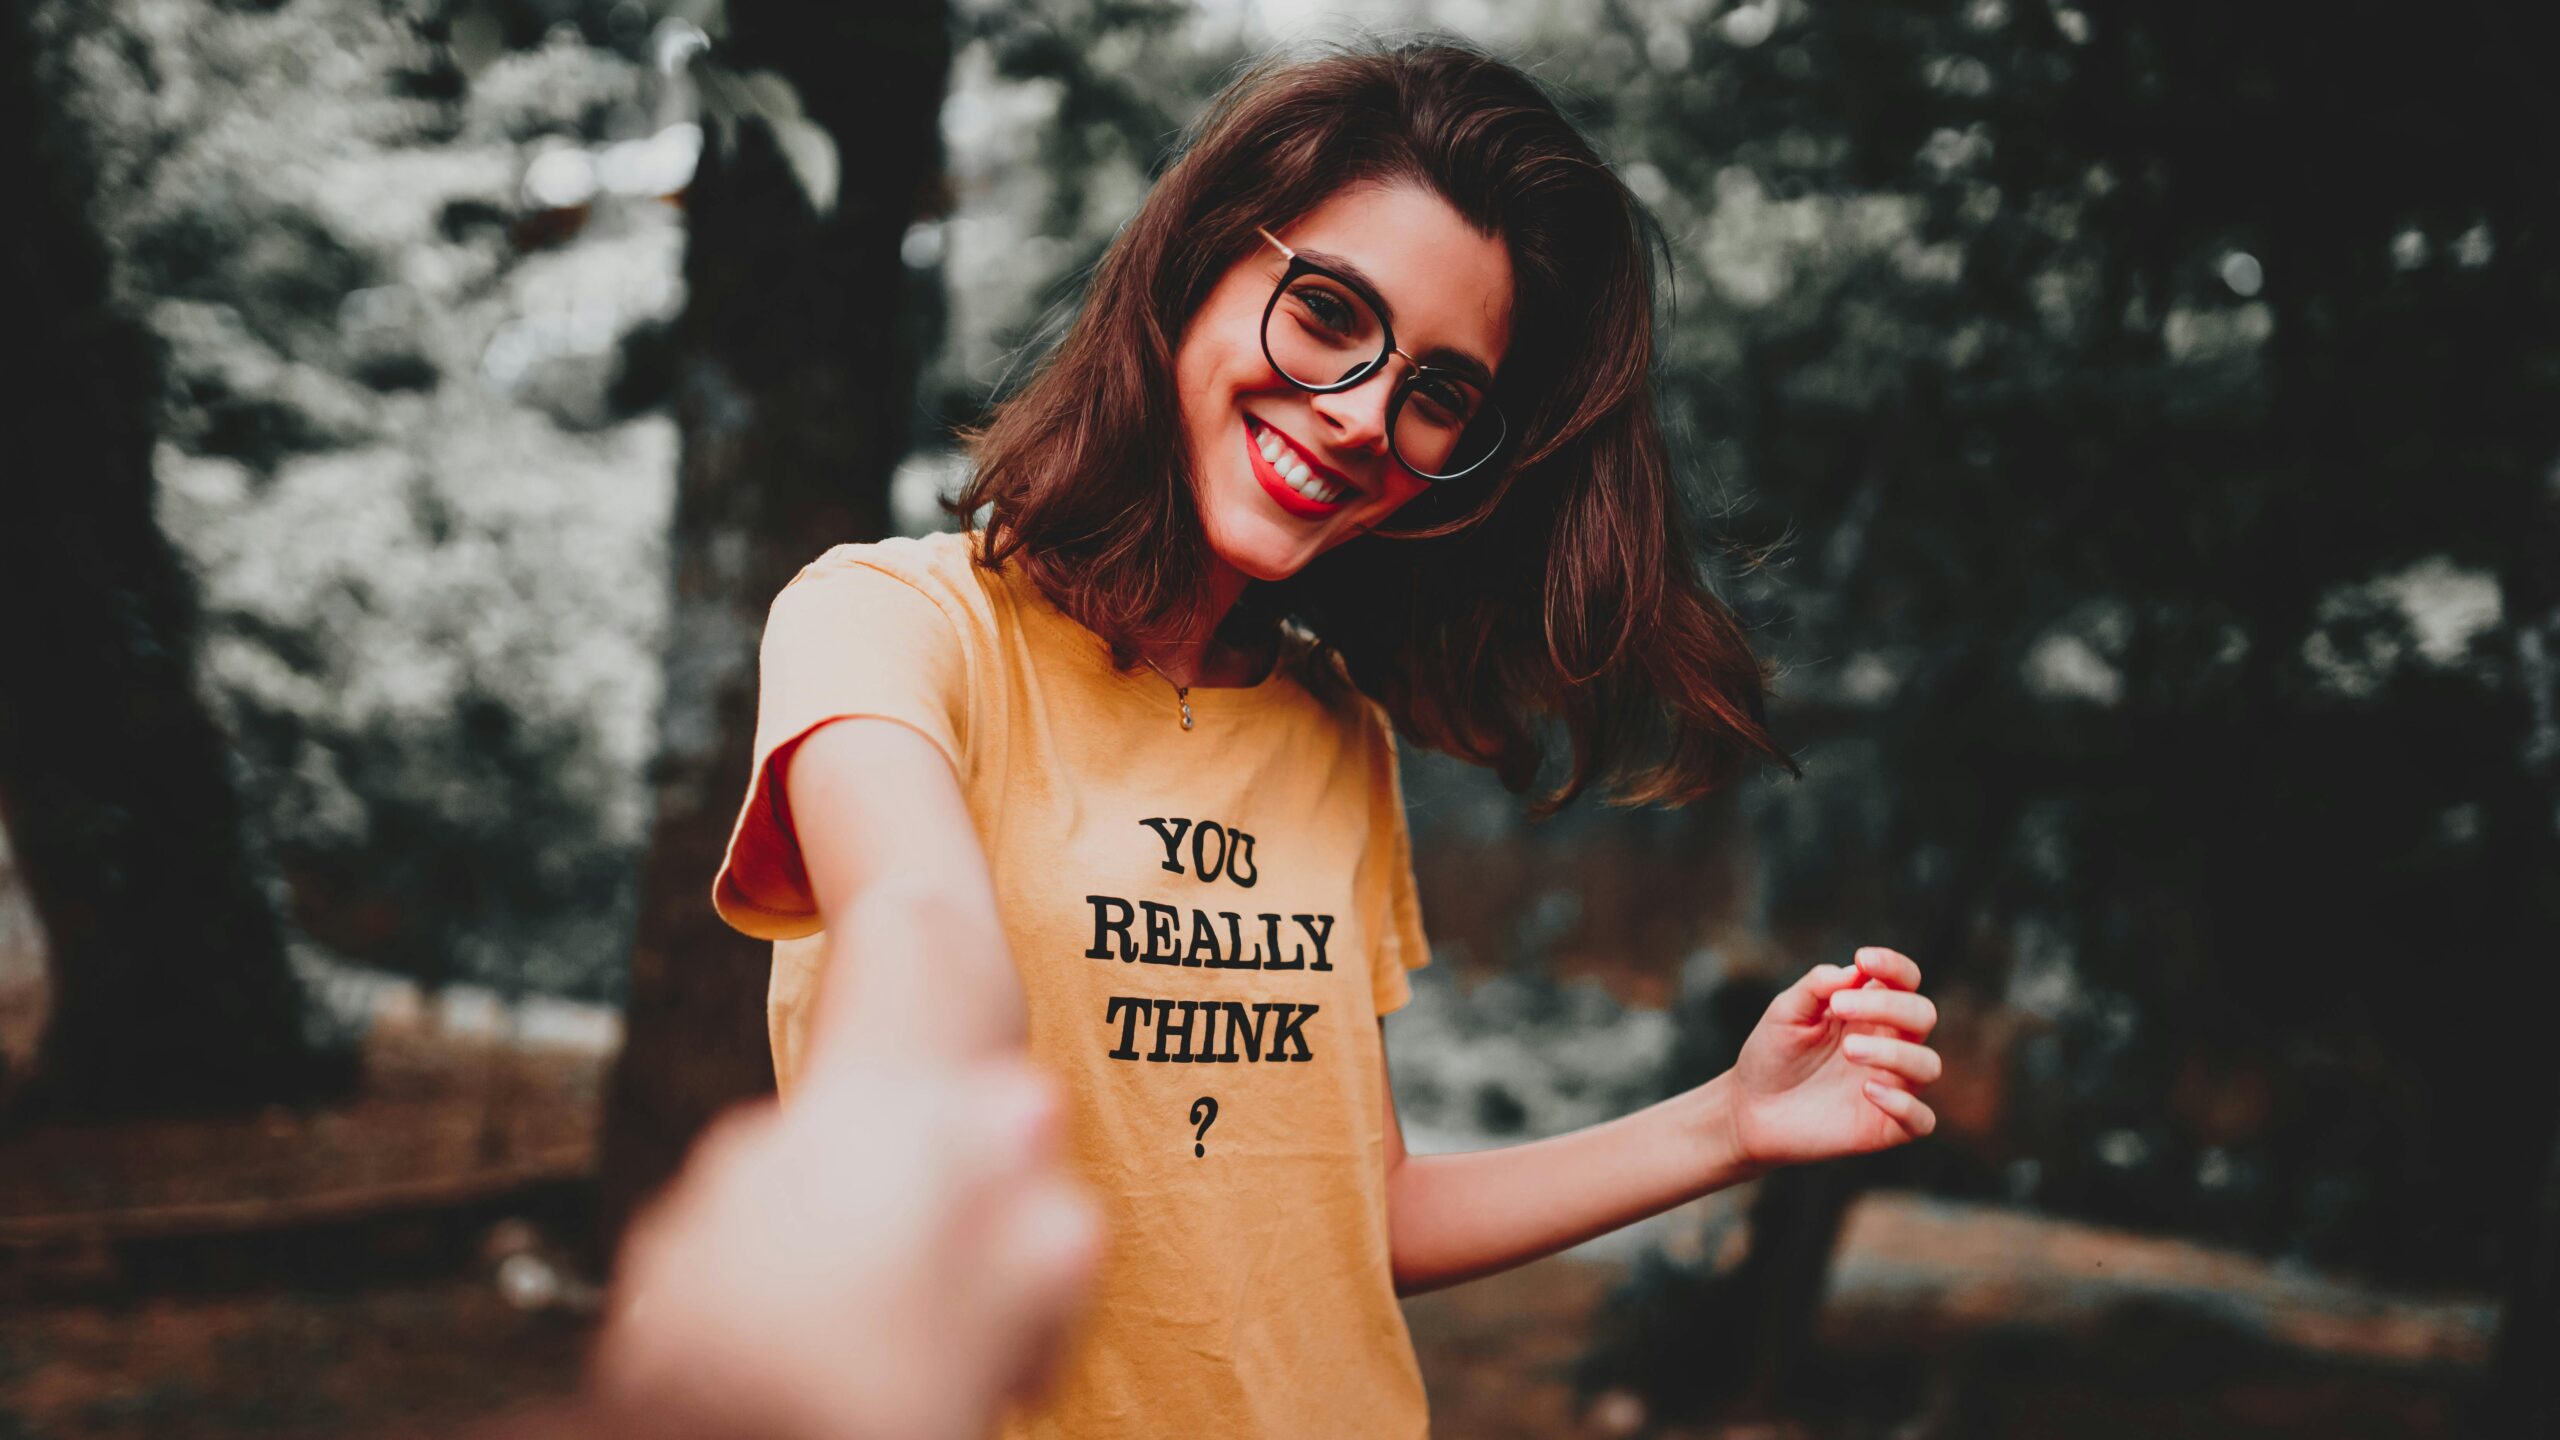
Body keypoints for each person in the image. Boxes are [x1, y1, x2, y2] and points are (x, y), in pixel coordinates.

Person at [709, 38, 1945, 1439]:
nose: (1364, 417)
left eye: (1436, 395)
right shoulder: (888, 623)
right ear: (1196, 269)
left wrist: (1727, 1124)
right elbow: (913, 917)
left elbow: (1350, 1218)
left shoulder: (1331, 738)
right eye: (1330, 313)